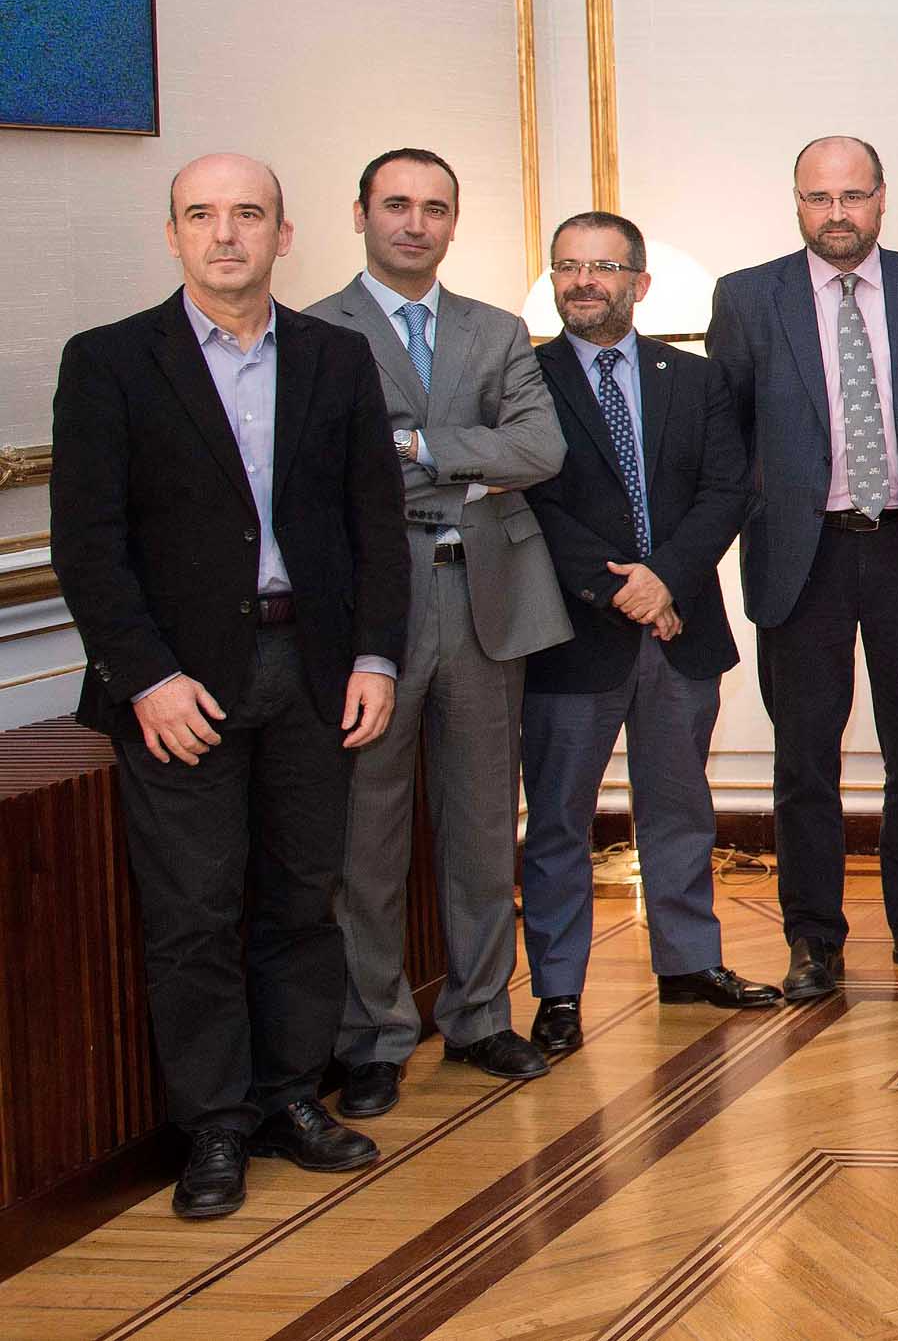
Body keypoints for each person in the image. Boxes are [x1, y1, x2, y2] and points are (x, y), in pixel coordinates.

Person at [51, 153, 405, 1218]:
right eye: (201, 214)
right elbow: (88, 544)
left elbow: (374, 522)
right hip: (180, 687)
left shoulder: (336, 356)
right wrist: (146, 677)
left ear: (283, 235)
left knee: (302, 898)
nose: (225, 234)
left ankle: (291, 1094)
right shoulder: (109, 361)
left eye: (248, 214)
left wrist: (375, 657)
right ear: (172, 235)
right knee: (195, 912)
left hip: (312, 670)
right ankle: (214, 1124)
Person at [308, 149, 569, 1112]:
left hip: (483, 597)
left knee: (482, 824)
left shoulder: (496, 329)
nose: (415, 223)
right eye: (396, 205)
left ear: (454, 221)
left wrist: (414, 444)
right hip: (373, 605)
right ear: (360, 214)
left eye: (435, 207)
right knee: (367, 836)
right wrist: (470, 464)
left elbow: (539, 448)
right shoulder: (313, 332)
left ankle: (480, 1017)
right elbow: (330, 470)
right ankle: (373, 1036)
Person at [706, 135, 898, 999]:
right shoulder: (747, 297)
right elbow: (725, 435)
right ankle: (813, 938)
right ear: (797, 201)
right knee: (805, 760)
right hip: (803, 555)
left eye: (853, 196)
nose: (837, 213)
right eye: (819, 197)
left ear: (881, 198)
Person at [517, 212, 779, 1051]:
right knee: (559, 820)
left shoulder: (694, 378)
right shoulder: (524, 378)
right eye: (567, 266)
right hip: (571, 637)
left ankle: (689, 961)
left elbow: (728, 489)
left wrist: (664, 577)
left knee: (679, 807)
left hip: (679, 628)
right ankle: (559, 990)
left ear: (640, 281)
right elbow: (534, 502)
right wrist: (622, 589)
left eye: (601, 266)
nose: (582, 281)